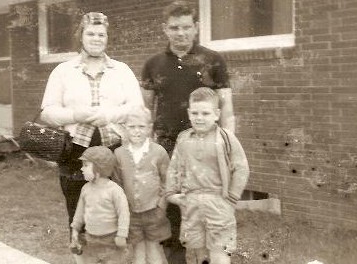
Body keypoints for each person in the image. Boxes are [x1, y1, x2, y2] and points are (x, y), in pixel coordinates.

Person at [40, 12, 143, 263]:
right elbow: (47, 112)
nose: (96, 38)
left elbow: (137, 106)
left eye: (101, 34)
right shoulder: (64, 71)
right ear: (81, 36)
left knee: (117, 214)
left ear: (107, 37)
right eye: (90, 33)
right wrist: (76, 114)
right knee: (78, 215)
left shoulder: (121, 70)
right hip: (76, 153)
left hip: (114, 150)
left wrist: (109, 114)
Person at [141, 0, 235, 263]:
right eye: (174, 28)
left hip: (205, 147)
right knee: (171, 208)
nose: (180, 33)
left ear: (196, 28)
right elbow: (145, 111)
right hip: (167, 147)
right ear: (165, 29)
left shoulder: (213, 60)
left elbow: (227, 110)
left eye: (185, 27)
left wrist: (227, 147)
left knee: (205, 210)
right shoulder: (153, 64)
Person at [165, 87, 249, 264]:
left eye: (205, 113)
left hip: (218, 201)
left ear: (217, 114)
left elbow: (241, 168)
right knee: (195, 252)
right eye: (195, 113)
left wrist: (231, 199)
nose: (199, 117)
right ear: (188, 113)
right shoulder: (183, 138)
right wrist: (171, 194)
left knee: (220, 251)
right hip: (191, 203)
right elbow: (173, 167)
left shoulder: (226, 138)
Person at [113, 106, 171, 264]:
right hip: (132, 213)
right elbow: (117, 186)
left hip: (154, 212)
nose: (136, 131)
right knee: (137, 252)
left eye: (141, 127)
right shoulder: (119, 154)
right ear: (125, 128)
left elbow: (168, 181)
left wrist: (161, 206)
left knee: (154, 250)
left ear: (149, 128)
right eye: (132, 127)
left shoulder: (159, 152)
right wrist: (123, 211)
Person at [70, 146, 130, 264]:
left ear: (98, 169)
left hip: (111, 240)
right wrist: (75, 230)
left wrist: (122, 235)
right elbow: (79, 212)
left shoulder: (114, 190)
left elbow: (124, 214)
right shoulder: (85, 189)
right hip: (91, 238)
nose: (82, 169)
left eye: (86, 165)